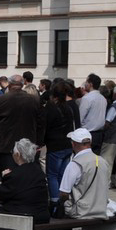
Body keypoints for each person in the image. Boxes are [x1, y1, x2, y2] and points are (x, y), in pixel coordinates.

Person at [51, 127, 110, 230]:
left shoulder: (75, 164)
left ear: (73, 144)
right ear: (90, 142)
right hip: (101, 208)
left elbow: (64, 193)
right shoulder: (103, 161)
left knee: (49, 213)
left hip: (82, 210)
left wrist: (60, 204)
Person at [0, 78, 44, 174]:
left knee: (7, 173)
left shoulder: (0, 99)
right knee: (25, 173)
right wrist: (39, 141)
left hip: (5, 143)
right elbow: (40, 123)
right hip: (26, 143)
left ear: (9, 85)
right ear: (22, 85)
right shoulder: (33, 100)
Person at [42, 81, 78, 211]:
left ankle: (55, 203)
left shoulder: (51, 108)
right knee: (62, 176)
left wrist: (41, 141)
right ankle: (63, 202)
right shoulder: (68, 107)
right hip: (67, 145)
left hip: (55, 145)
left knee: (52, 175)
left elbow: (45, 126)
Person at [80, 73, 107, 151]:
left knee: (85, 156)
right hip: (99, 134)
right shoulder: (102, 98)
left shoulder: (87, 98)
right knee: (96, 156)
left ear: (91, 84)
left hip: (87, 133)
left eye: (86, 82)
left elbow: (80, 117)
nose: (85, 84)